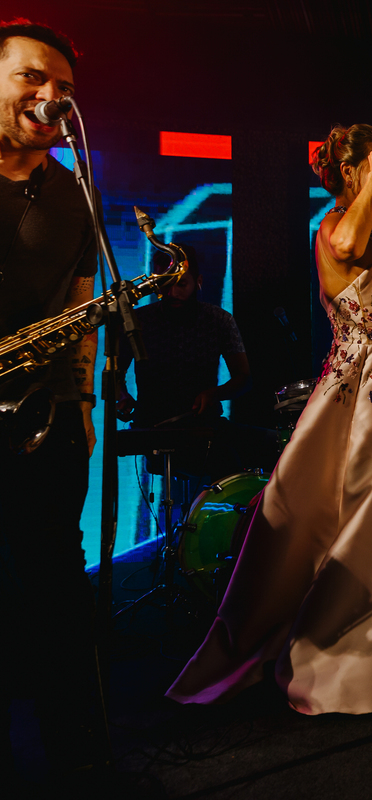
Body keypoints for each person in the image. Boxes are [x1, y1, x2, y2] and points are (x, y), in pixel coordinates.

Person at [166, 124, 372, 716]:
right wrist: (371, 179)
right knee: (364, 513)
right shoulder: (334, 229)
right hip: (362, 393)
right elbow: (349, 251)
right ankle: (353, 648)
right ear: (352, 171)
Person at [0, 19, 104, 777]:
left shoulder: (74, 193)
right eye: (32, 78)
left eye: (63, 89)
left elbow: (79, 307)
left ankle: (75, 764)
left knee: (57, 595)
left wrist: (82, 405)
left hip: (43, 426)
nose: (51, 97)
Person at [115, 244, 250, 429]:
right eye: (166, 284)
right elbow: (115, 372)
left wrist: (213, 394)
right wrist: (122, 396)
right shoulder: (138, 321)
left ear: (198, 281)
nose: (173, 293)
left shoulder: (219, 320)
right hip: (151, 426)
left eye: (182, 284)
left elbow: (243, 378)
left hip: (202, 424)